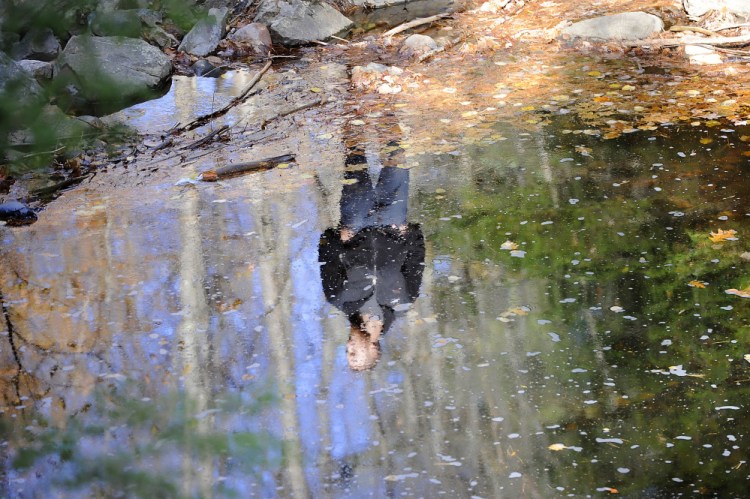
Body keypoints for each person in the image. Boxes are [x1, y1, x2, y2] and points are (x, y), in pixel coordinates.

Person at [319, 142, 425, 371]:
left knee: (354, 156)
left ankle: (353, 110)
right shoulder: (404, 301)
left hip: (356, 222)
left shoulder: (338, 298)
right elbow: (416, 261)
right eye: (354, 353)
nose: (348, 346)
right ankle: (388, 110)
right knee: (397, 156)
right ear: (374, 349)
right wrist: (409, 232)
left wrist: (341, 238)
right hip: (392, 223)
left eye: (348, 352)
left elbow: (325, 250)